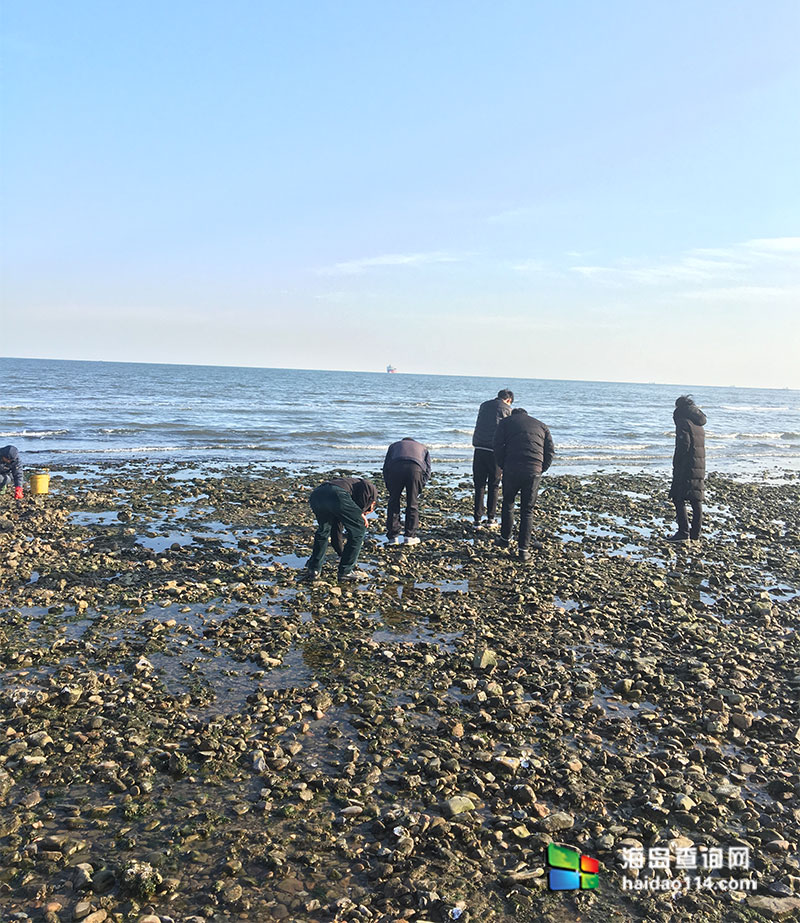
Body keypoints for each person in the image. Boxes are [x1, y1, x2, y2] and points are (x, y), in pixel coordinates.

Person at [493, 408, 554, 561]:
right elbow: (550, 451)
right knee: (527, 510)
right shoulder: (541, 425)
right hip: (534, 469)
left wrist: (502, 464)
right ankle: (523, 550)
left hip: (512, 467)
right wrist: (541, 468)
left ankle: (505, 539)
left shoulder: (506, 422)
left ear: (514, 414)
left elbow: (497, 445)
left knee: (508, 503)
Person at [303, 477, 378, 581]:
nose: (367, 513)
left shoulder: (348, 489)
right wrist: (361, 513)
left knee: (324, 530)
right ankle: (346, 571)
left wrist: (341, 553)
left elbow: (337, 530)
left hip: (317, 494)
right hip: (336, 494)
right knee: (359, 528)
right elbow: (366, 485)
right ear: (372, 503)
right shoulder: (372, 492)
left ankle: (314, 570)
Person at [471, 389, 513, 528]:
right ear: (508, 400)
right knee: (494, 485)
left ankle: (477, 519)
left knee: (479, 485)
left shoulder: (483, 405)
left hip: (479, 448)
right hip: (495, 451)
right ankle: (491, 518)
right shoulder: (507, 409)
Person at [667, 395, 707, 543]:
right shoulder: (698, 422)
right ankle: (695, 535)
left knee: (678, 497)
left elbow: (684, 444)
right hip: (699, 464)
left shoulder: (683, 421)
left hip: (686, 464)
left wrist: (676, 462)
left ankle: (683, 532)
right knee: (696, 499)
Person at [383, 437, 431, 545]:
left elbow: (386, 467)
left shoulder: (394, 446)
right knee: (412, 503)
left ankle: (393, 537)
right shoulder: (423, 447)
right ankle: (409, 536)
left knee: (393, 501)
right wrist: (421, 485)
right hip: (415, 468)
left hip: (396, 467)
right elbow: (428, 470)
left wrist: (389, 485)